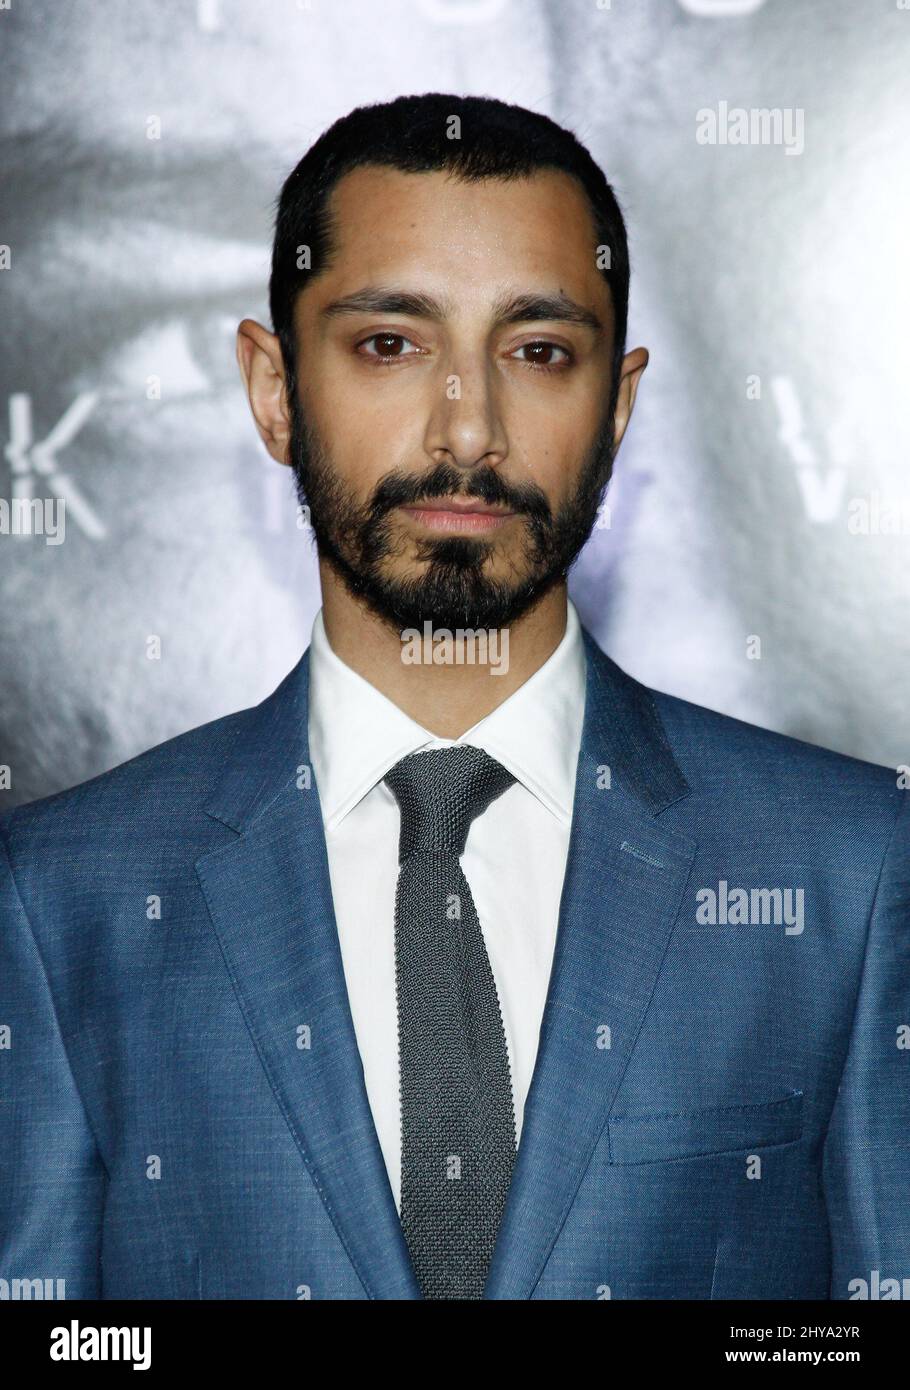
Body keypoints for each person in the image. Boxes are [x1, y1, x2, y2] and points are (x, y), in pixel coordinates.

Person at [1, 93, 907, 1302]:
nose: (467, 426)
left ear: (619, 404)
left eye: (537, 351)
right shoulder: (64, 900)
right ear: (272, 390)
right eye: (389, 343)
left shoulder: (846, 870)